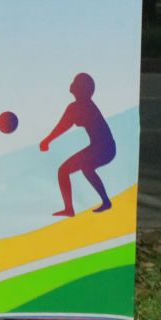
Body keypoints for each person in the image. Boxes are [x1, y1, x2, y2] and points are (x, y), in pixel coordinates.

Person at [40, 72, 118, 216]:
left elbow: (63, 126)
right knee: (86, 168)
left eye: (76, 83)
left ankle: (70, 209)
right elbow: (66, 123)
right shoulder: (83, 105)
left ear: (82, 89)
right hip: (105, 147)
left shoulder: (79, 107)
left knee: (64, 171)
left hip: (103, 149)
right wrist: (47, 140)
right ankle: (104, 202)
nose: (72, 85)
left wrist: (47, 141)